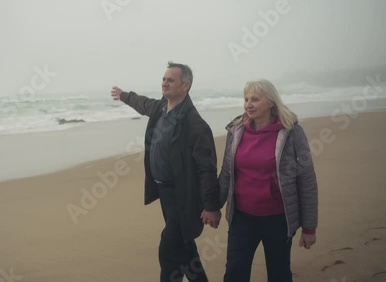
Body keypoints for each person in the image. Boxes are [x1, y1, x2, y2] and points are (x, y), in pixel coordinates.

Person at [111, 62, 221, 282]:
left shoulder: (195, 124)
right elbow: (142, 103)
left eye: (171, 80)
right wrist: (123, 95)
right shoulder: (160, 109)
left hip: (184, 195)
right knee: (185, 247)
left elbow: (206, 169)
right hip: (165, 193)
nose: (165, 83)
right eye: (164, 79)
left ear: (185, 86)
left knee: (169, 248)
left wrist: (211, 206)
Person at [218, 79, 318, 282]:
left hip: (278, 218)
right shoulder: (236, 131)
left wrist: (309, 227)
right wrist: (212, 207)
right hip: (242, 217)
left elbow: (306, 180)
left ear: (271, 102)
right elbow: (227, 173)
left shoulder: (292, 132)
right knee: (234, 273)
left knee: (279, 273)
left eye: (255, 99)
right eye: (246, 99)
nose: (248, 104)